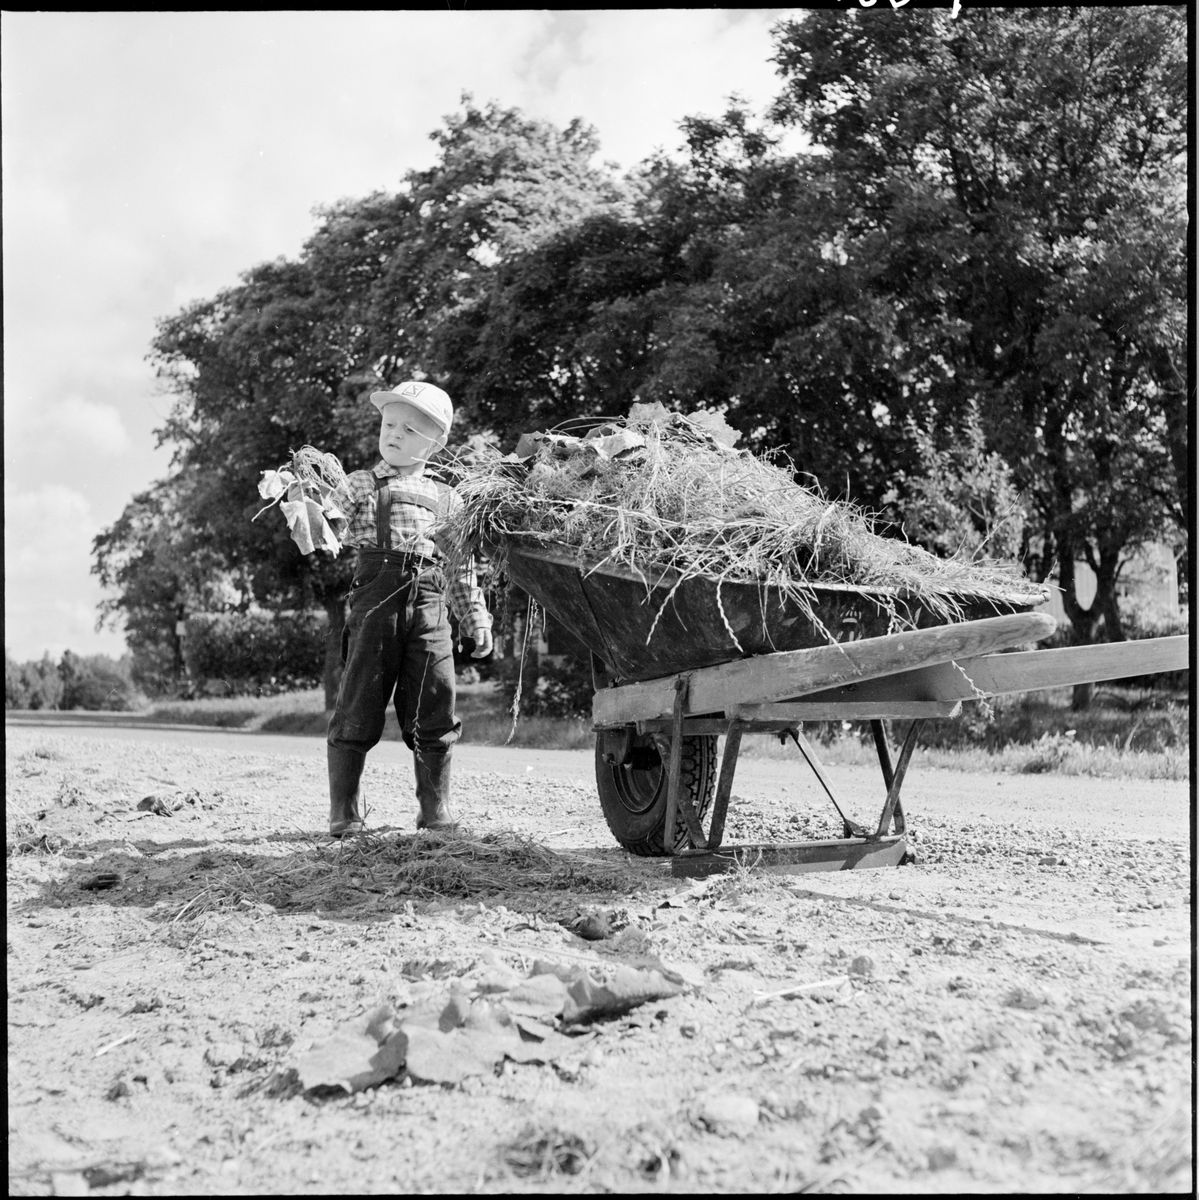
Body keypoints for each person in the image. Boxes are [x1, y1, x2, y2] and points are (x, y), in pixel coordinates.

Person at [324, 380, 493, 837]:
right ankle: (345, 809)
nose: (394, 434)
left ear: (436, 443)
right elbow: (328, 521)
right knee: (360, 699)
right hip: (376, 603)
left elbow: (460, 566)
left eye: (409, 430)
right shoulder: (360, 484)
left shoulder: (448, 499)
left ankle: (434, 808)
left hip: (432, 605)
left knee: (436, 701)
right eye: (389, 424)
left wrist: (474, 616)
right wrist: (313, 514)